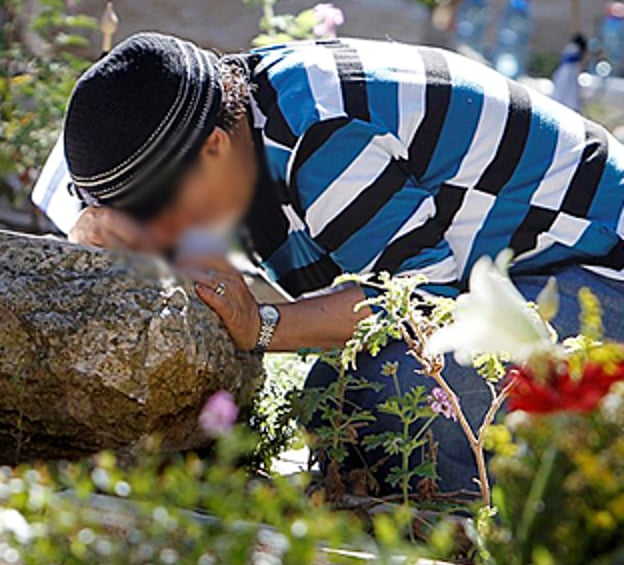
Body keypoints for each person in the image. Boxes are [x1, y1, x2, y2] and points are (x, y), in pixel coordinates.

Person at [32, 32, 624, 495]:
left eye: (157, 216)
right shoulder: (199, 112)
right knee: (339, 401)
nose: (162, 240)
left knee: (379, 399)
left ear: (212, 149)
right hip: (513, 273)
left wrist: (264, 325)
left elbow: (418, 300)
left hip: (597, 271)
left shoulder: (316, 141)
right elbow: (75, 194)